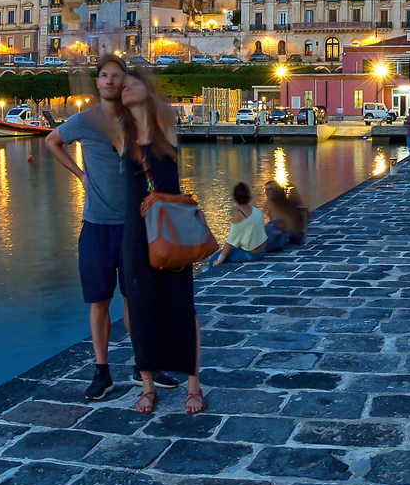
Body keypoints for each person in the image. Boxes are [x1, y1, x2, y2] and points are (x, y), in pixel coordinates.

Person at [108, 62, 206, 414]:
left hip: (171, 226)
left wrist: (145, 89)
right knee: (140, 306)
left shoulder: (166, 123)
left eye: (133, 84)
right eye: (123, 87)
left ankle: (193, 384)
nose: (126, 89)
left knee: (182, 305)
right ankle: (147, 384)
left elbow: (159, 105)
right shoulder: (121, 132)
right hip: (135, 231)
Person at [45, 62, 133, 402]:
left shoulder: (136, 119)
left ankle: (145, 368)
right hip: (96, 225)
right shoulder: (84, 120)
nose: (110, 80)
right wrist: (80, 175)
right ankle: (102, 371)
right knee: (99, 302)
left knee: (133, 301)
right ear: (98, 82)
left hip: (132, 227)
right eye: (104, 75)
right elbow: (52, 142)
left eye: (116, 75)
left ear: (124, 81)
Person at [206, 182, 270, 268]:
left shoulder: (238, 215)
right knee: (234, 249)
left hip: (251, 254)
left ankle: (210, 278)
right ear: (249, 196)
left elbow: (230, 241)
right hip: (262, 251)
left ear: (235, 198)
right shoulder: (257, 211)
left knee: (212, 259)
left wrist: (219, 260)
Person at [262, 181, 308, 248]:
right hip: (281, 234)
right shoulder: (271, 204)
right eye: (266, 189)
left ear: (276, 191)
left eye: (269, 189)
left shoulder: (283, 205)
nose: (267, 192)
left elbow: (287, 226)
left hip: (290, 236)